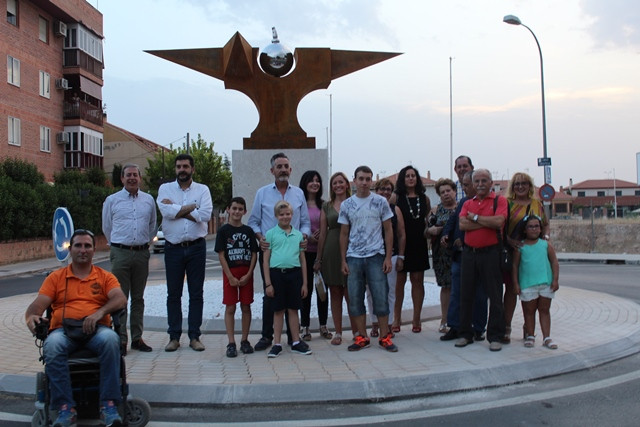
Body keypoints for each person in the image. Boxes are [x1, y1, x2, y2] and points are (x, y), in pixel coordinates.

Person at [25, 229, 127, 427]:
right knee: (53, 346)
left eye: (87, 246)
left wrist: (99, 313)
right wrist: (31, 318)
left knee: (110, 340)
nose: (83, 250)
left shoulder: (105, 277)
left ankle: (108, 405)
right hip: (64, 331)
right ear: (70, 250)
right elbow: (36, 307)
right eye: (78, 246)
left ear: (94, 250)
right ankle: (65, 408)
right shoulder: (56, 278)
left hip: (97, 329)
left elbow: (120, 298)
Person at [248, 152, 311, 351]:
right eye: (279, 166)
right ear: (272, 170)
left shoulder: (299, 194)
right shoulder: (262, 193)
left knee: (294, 300)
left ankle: (294, 337)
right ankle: (268, 337)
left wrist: (304, 237)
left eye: (286, 166)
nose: (283, 169)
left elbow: (305, 222)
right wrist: (261, 239)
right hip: (271, 254)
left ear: (290, 170)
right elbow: (253, 221)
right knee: (271, 297)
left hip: (293, 254)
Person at [157, 153, 213, 352]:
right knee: (174, 294)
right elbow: (165, 212)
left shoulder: (203, 189)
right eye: (179, 166)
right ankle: (174, 337)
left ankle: (194, 336)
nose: (182, 170)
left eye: (186, 166)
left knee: (196, 293)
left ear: (192, 169)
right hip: (173, 248)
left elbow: (206, 215)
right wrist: (192, 208)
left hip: (197, 247)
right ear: (175, 169)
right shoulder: (165, 188)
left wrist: (177, 209)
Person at [339, 165, 398, 352]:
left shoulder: (381, 202)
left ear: (371, 181)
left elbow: (389, 230)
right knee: (355, 299)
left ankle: (384, 337)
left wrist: (388, 257)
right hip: (354, 257)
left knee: (380, 297)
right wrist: (343, 260)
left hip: (376, 256)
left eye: (367, 179)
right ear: (354, 181)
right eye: (361, 178)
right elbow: (343, 234)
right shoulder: (346, 205)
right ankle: (361, 337)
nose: (364, 182)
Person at [102, 163, 157, 355]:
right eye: (128, 175)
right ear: (122, 178)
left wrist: (144, 243)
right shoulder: (112, 200)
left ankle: (137, 338)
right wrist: (118, 245)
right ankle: (120, 339)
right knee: (120, 298)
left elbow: (152, 225)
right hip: (120, 253)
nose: (132, 178)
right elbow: (107, 227)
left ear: (140, 178)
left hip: (141, 253)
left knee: (139, 298)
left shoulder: (149, 200)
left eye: (135, 174)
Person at [455, 169, 507, 352]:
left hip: (491, 253)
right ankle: (465, 334)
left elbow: (499, 222)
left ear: (491, 183)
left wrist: (475, 218)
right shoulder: (468, 202)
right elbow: (462, 224)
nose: (480, 184)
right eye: (477, 181)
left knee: (494, 295)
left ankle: (494, 336)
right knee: (466, 294)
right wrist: (486, 222)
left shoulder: (499, 201)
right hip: (469, 253)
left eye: (484, 180)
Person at [502, 172, 550, 344]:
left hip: (533, 255)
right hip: (512, 252)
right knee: (511, 290)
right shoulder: (506, 204)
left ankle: (528, 329)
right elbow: (501, 226)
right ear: (512, 187)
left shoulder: (537, 204)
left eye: (524, 183)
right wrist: (509, 241)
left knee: (532, 291)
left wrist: (545, 240)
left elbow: (545, 224)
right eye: (516, 184)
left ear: (530, 186)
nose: (520, 187)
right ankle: (506, 327)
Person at [440, 172, 488, 342]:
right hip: (460, 257)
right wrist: (446, 235)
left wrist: (466, 234)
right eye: (464, 185)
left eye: (468, 185)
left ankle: (478, 328)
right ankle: (455, 326)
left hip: (480, 255)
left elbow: (488, 225)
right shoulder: (463, 202)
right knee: (456, 293)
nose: (466, 188)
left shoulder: (489, 203)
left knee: (480, 294)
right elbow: (453, 222)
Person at [263, 200, 312, 358]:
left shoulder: (298, 235)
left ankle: (296, 342)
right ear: (276, 216)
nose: (285, 217)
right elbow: (265, 260)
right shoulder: (270, 234)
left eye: (288, 214)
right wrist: (268, 283)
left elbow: (303, 259)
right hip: (277, 275)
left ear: (292, 215)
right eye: (282, 214)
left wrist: (305, 283)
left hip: (295, 275)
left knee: (293, 309)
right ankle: (276, 343)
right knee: (278, 310)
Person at [314, 172, 356, 346]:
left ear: (347, 184)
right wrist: (318, 258)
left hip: (352, 249)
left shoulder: (355, 203)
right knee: (335, 294)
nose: (338, 185)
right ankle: (338, 332)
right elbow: (323, 232)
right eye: (334, 183)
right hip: (331, 251)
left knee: (351, 294)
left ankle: (357, 331)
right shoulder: (327, 205)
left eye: (341, 182)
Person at [214, 197, 258, 358]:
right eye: (234, 208)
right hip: (230, 273)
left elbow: (254, 254)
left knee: (246, 306)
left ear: (245, 211)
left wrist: (249, 273)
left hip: (246, 273)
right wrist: (230, 276)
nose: (237, 211)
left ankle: (245, 340)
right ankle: (231, 342)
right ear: (228, 209)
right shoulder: (223, 231)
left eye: (240, 209)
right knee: (230, 307)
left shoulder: (248, 231)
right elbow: (221, 255)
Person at [392, 165, 431, 333]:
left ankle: (416, 318)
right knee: (398, 284)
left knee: (417, 282)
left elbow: (428, 219)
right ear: (402, 179)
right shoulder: (396, 197)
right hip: (401, 244)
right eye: (407, 176)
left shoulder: (425, 198)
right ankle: (397, 319)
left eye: (413, 175)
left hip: (419, 244)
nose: (410, 178)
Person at [512, 215, 560, 349]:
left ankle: (547, 337)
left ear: (540, 229)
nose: (534, 229)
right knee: (529, 311)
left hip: (545, 283)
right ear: (525, 230)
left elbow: (554, 262)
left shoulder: (546, 245)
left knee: (544, 310)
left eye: (536, 226)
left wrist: (555, 280)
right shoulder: (520, 247)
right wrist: (515, 283)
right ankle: (531, 335)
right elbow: (515, 266)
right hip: (527, 284)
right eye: (530, 226)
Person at [367, 178, 405, 338]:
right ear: (376, 191)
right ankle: (375, 323)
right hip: (372, 255)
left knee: (390, 291)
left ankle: (388, 324)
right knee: (371, 292)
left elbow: (401, 234)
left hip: (392, 255)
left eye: (389, 189)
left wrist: (401, 256)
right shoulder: (369, 208)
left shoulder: (395, 210)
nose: (385, 192)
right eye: (382, 189)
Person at [299, 170, 332, 341]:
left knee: (322, 291)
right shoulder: (298, 204)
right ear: (305, 183)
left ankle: (323, 325)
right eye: (311, 180)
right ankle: (304, 327)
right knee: (305, 291)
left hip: (321, 254)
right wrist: (308, 237)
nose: (315, 183)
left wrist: (319, 257)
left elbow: (327, 228)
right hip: (303, 254)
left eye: (317, 180)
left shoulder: (324, 205)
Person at [425, 178, 457, 333]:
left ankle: (460, 319)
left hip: (459, 253)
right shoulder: (435, 210)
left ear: (454, 191)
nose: (446, 194)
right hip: (442, 255)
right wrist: (432, 231)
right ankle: (444, 320)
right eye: (442, 192)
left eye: (448, 191)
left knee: (461, 287)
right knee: (446, 287)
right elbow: (426, 231)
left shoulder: (461, 208)